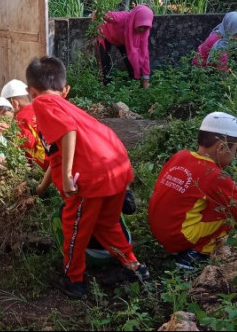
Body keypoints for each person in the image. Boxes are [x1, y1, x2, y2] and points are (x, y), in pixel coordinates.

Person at [25, 55, 149, 300]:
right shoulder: (64, 104)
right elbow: (55, 154)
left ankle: (74, 280)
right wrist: (40, 189)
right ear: (65, 89)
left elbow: (68, 131)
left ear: (30, 91)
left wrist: (68, 175)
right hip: (116, 168)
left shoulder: (42, 103)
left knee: (75, 232)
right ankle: (134, 267)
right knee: (107, 224)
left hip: (90, 179)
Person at [148, 112, 237, 270]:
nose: (235, 156)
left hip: (159, 229)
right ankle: (194, 255)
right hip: (178, 237)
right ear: (222, 147)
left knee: (210, 202)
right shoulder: (215, 176)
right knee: (227, 213)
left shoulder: (180, 156)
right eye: (236, 150)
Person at [95, 4, 154, 88]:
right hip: (105, 34)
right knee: (105, 60)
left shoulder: (143, 32)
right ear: (135, 19)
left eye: (145, 27)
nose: (142, 29)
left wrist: (146, 80)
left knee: (130, 59)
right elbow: (100, 14)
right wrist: (97, 13)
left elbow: (145, 55)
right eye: (141, 26)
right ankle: (105, 84)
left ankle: (134, 82)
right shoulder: (122, 17)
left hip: (122, 39)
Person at [0, 79, 49, 171]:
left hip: (43, 165)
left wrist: (9, 133)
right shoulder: (40, 108)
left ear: (15, 103)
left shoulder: (21, 117)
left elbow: (27, 143)